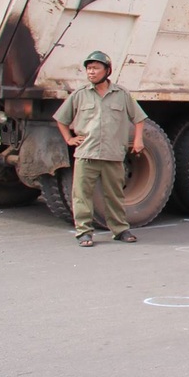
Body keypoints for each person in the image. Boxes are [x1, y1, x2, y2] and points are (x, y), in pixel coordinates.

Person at [53, 50, 146, 247]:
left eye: (95, 68)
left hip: (113, 155)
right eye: (88, 69)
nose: (91, 72)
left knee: (114, 195)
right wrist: (69, 139)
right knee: (81, 195)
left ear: (107, 70)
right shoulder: (80, 95)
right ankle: (84, 232)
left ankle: (120, 230)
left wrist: (138, 141)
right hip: (87, 154)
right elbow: (61, 119)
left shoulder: (121, 94)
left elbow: (139, 119)